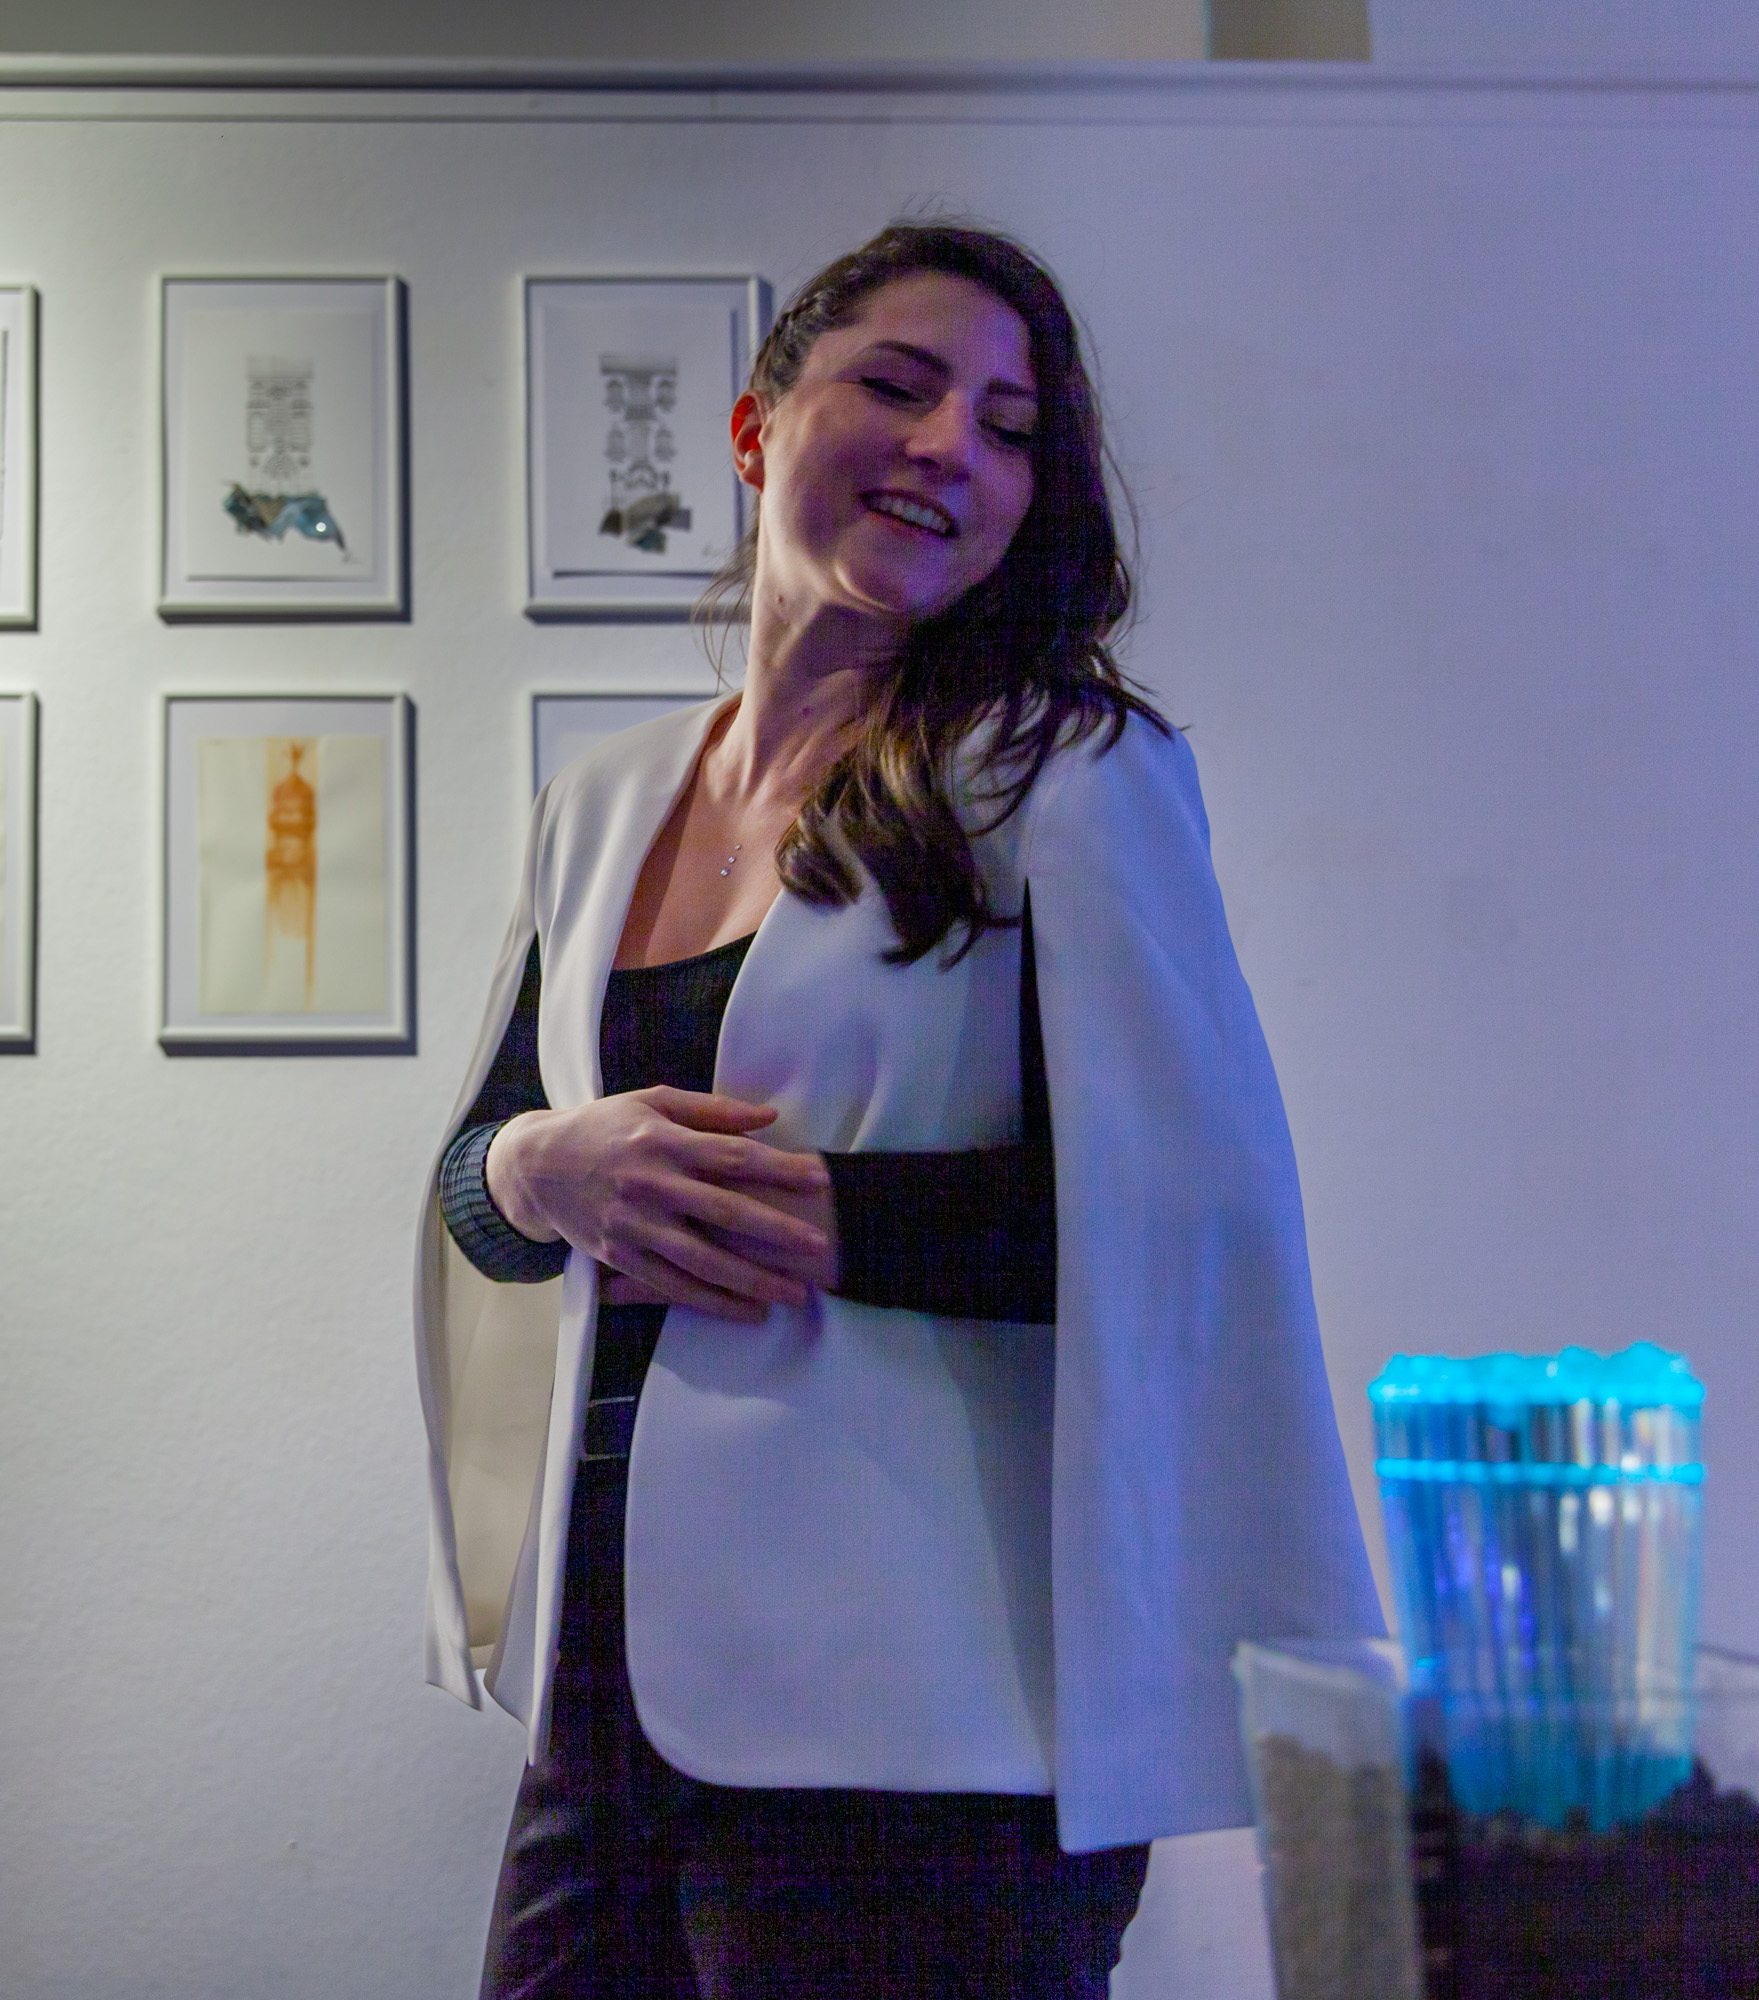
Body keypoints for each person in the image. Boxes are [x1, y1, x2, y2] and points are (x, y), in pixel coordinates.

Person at [410, 223, 1382, 1999]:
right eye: (903, 385)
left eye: (1011, 429)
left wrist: (832, 1220)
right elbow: (479, 1180)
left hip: (925, 1723)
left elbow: (1189, 1216)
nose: (953, 448)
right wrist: (546, 1168)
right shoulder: (603, 798)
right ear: (756, 424)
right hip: (603, 1697)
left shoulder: (1068, 773)